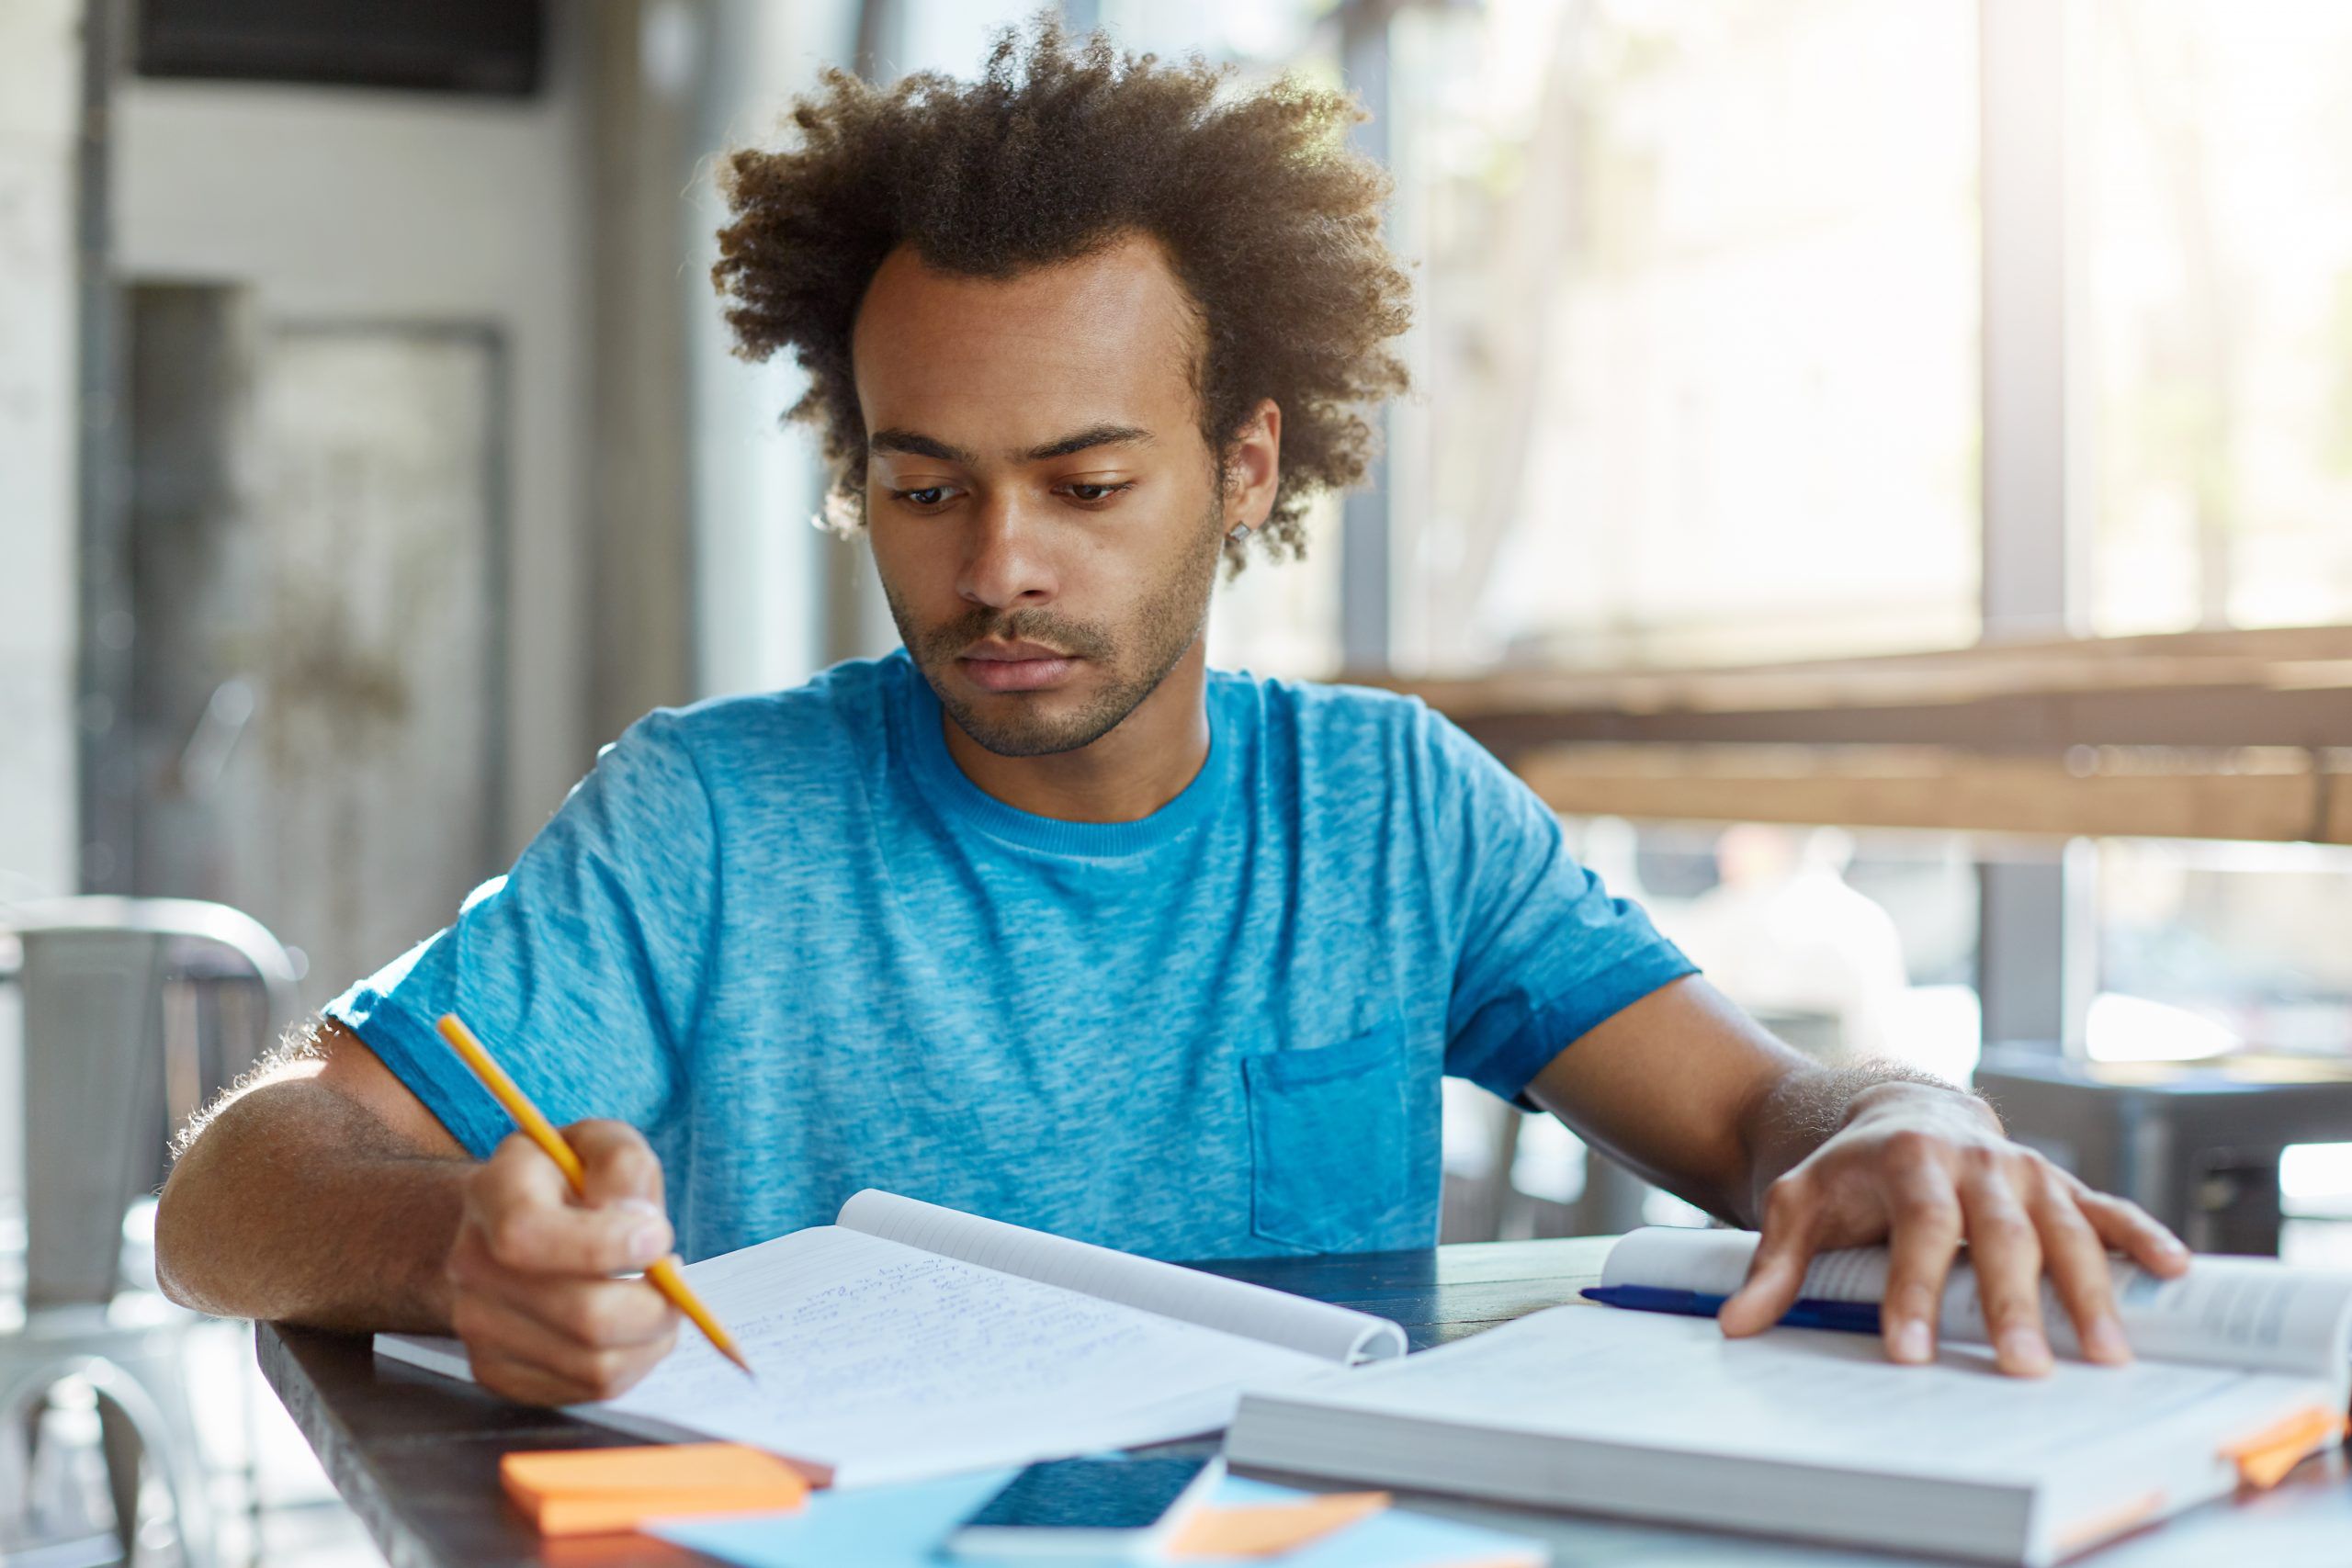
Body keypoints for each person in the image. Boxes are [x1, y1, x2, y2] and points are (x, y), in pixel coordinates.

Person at [154, 21, 2186, 1409]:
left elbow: (1755, 1117)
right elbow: (232, 1187)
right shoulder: (709, 816)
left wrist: (1902, 1117)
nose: (996, 564)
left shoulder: (1393, 810)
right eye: (921, 481)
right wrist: (453, 1254)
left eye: (1087, 482)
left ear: (1242, 463)